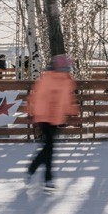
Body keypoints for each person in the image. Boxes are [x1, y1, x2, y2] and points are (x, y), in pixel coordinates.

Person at [25, 55, 79, 191]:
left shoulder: (66, 80)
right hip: (44, 117)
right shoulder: (47, 78)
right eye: (65, 67)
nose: (66, 69)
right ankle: (46, 178)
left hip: (56, 118)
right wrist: (32, 112)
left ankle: (34, 169)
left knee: (48, 149)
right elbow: (36, 96)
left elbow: (67, 99)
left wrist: (73, 112)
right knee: (49, 148)